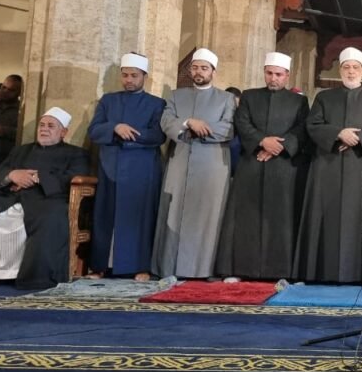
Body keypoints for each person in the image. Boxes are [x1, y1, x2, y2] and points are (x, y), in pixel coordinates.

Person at [0, 108, 89, 289]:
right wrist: (11, 175)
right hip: (10, 197)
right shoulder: (21, 150)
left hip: (46, 199)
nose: (44, 129)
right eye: (42, 125)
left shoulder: (76, 154)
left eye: (51, 126)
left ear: (63, 132)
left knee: (51, 218)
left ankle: (35, 279)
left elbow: (75, 176)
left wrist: (39, 177)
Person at [216, 52, 310, 282]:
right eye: (269, 73)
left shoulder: (299, 101)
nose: (273, 78)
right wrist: (261, 140)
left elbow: (302, 129)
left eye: (278, 74)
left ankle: (281, 271)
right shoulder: (249, 96)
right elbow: (242, 122)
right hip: (253, 163)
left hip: (284, 167)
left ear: (287, 75)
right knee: (246, 217)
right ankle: (241, 269)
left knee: (282, 220)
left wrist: (279, 146)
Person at [294, 47, 362, 284]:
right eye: (346, 67)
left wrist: (358, 138)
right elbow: (313, 125)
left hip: (361, 168)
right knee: (326, 217)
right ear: (340, 70)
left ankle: (360, 275)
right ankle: (321, 273)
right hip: (328, 166)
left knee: (359, 218)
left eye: (355, 67)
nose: (351, 72)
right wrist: (338, 134)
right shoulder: (324, 97)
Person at [154, 49, 236, 280]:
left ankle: (205, 270)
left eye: (204, 68)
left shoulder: (226, 99)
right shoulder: (176, 95)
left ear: (213, 72)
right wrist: (189, 122)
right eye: (195, 67)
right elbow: (167, 122)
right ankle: (169, 268)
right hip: (179, 160)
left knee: (209, 217)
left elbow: (228, 128)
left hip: (212, 164)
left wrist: (200, 129)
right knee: (173, 213)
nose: (199, 72)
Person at [87, 54, 166, 281]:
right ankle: (100, 266)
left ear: (144, 77)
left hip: (142, 169)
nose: (129, 80)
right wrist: (115, 127)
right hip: (110, 166)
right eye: (125, 75)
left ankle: (141, 266)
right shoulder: (108, 101)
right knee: (106, 217)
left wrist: (129, 134)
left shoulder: (156, 103)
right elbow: (94, 131)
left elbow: (158, 135)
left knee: (140, 220)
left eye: (134, 75)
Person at [0, 74, 22, 168]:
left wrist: (2, 130)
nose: (5, 91)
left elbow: (24, 133)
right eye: (4, 87)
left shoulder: (21, 111)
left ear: (19, 93)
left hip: (4, 161)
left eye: (11, 90)